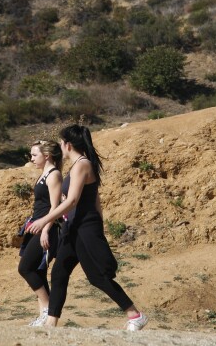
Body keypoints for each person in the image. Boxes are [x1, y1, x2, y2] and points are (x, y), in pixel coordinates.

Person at [27, 124, 148, 331]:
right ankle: (51, 322)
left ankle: (135, 314)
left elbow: (73, 200)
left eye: (62, 143)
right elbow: (94, 199)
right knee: (59, 272)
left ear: (68, 144)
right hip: (72, 227)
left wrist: (44, 220)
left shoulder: (82, 164)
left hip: (84, 227)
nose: (60, 147)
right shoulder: (76, 167)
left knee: (97, 277)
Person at [18, 139, 63, 327]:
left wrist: (45, 230)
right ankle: (44, 316)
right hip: (36, 227)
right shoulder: (43, 174)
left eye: (35, 155)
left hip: (47, 229)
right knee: (38, 270)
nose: (32, 158)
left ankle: (47, 308)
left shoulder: (53, 175)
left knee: (25, 268)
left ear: (47, 156)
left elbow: (55, 207)